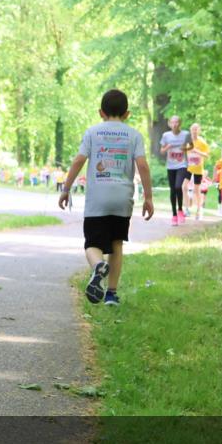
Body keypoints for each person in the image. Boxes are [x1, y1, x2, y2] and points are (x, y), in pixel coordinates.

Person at [59, 89, 154, 307]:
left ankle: (97, 266)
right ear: (127, 114)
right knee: (117, 244)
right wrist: (148, 197)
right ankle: (111, 295)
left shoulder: (92, 133)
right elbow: (143, 166)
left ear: (101, 112)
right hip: (122, 199)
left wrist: (66, 189)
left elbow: (78, 161)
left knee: (92, 243)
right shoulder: (134, 135)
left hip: (97, 199)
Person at [160, 115, 189, 225]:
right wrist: (167, 147)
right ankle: (174, 215)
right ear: (169, 124)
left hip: (182, 164)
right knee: (172, 189)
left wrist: (185, 148)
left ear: (179, 123)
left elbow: (191, 146)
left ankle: (180, 209)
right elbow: (162, 151)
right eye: (172, 122)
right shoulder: (166, 135)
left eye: (176, 122)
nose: (174, 124)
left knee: (178, 186)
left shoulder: (186, 134)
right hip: (171, 166)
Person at [182, 122, 210, 220]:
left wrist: (197, 151)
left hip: (198, 169)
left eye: (196, 129)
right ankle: (186, 209)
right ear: (190, 130)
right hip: (188, 168)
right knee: (184, 187)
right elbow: (183, 152)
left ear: (199, 130)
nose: (194, 131)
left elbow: (206, 155)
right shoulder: (187, 141)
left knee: (197, 190)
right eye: (192, 129)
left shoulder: (202, 142)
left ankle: (199, 209)